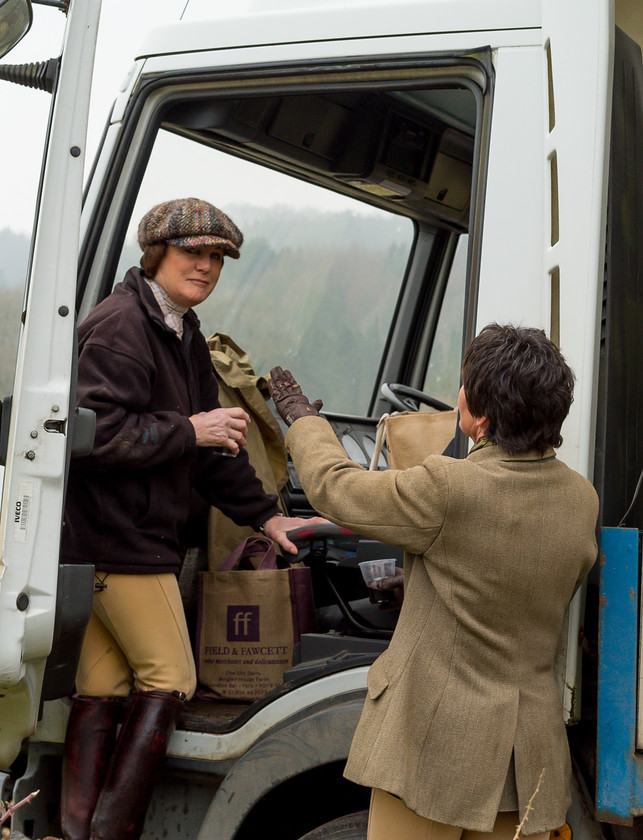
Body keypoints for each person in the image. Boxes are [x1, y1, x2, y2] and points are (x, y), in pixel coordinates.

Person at [268, 324, 599, 840]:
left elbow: (336, 487)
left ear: (481, 418)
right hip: (526, 760)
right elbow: (512, 582)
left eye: (464, 385)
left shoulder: (450, 487)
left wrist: (303, 420)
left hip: (433, 752)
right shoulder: (581, 499)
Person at [59, 197, 322, 840]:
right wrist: (188, 428)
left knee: (103, 691)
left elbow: (213, 448)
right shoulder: (121, 328)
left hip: (125, 539)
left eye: (216, 258)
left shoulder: (182, 329)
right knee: (172, 679)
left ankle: (75, 833)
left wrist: (266, 517)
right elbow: (89, 439)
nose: (205, 267)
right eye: (191, 254)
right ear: (155, 256)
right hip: (118, 544)